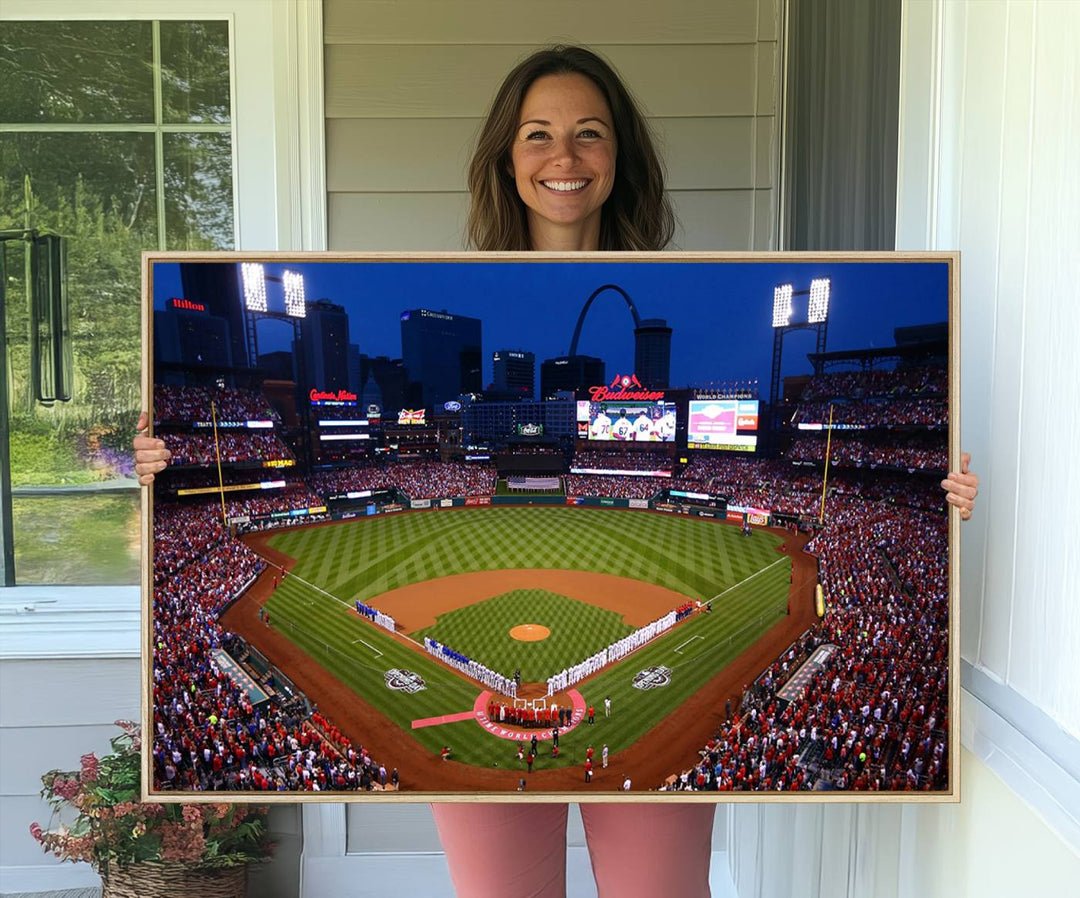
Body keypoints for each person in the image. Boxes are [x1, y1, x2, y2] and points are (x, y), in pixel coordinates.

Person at [134, 43, 980, 898]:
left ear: (621, 157)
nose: (563, 157)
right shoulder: (451, 277)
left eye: (590, 133)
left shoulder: (696, 273)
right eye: (537, 134)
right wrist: (152, 464)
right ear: (506, 157)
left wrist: (937, 495)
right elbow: (149, 489)